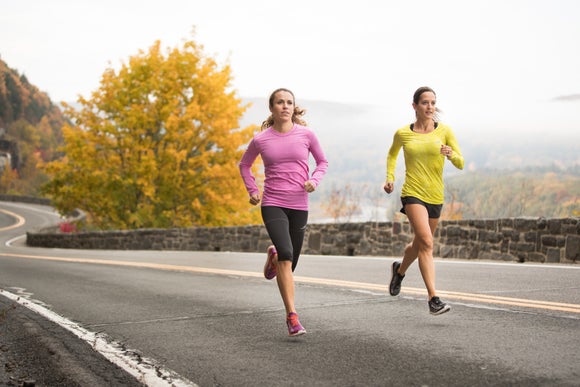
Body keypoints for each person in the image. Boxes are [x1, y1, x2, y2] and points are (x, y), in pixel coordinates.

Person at [239, 88, 328, 336]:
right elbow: (244, 165)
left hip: (299, 204)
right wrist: (252, 190)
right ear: (272, 108)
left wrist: (314, 179)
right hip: (273, 202)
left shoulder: (307, 135)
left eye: (289, 102)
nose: (285, 106)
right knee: (287, 255)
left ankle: (273, 257)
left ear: (293, 107)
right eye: (280, 102)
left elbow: (322, 162)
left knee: (290, 263)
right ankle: (292, 316)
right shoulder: (261, 139)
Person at [383, 86, 464, 315]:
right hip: (413, 193)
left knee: (418, 244)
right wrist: (390, 178)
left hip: (436, 195)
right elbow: (392, 154)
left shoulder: (445, 131)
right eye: (425, 102)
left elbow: (461, 162)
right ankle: (433, 298)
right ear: (415, 106)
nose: (430, 107)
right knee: (427, 243)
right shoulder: (403, 133)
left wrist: (451, 154)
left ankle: (399, 271)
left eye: (433, 103)